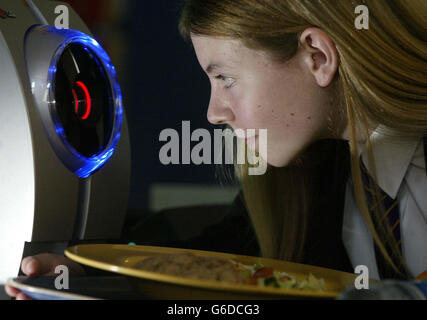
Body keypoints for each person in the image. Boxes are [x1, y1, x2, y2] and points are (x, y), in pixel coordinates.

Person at [6, 0, 426, 299]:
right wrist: (98, 278)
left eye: (225, 77)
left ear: (317, 56)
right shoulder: (317, 169)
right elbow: (229, 260)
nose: (212, 112)